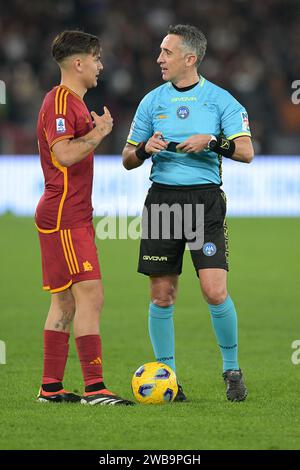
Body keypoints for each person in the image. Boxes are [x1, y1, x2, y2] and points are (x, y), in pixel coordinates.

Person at [122, 24, 254, 402]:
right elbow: (128, 159)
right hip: (162, 200)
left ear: (190, 59)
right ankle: (170, 378)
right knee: (162, 295)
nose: (159, 58)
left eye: (166, 52)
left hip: (205, 202)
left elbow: (246, 151)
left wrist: (213, 142)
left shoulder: (222, 101)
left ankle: (232, 370)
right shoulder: (151, 101)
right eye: (160, 51)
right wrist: (146, 148)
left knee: (215, 291)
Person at [36, 30, 133, 406]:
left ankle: (50, 388)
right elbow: (64, 155)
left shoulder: (69, 102)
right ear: (79, 63)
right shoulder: (62, 101)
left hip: (64, 214)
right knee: (91, 295)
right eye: (96, 58)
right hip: (65, 216)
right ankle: (95, 389)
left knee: (64, 303)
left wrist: (93, 132)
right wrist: (100, 133)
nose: (100, 65)